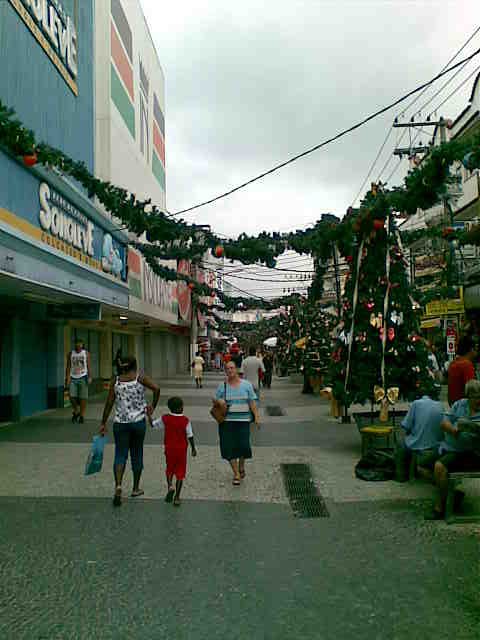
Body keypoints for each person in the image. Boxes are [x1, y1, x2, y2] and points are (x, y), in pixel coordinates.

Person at [99, 355, 160, 507]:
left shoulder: (116, 380)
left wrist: (103, 422)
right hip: (138, 423)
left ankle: (118, 486)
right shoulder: (139, 378)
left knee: (120, 454)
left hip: (120, 424)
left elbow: (109, 402)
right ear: (134, 365)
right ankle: (135, 488)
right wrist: (153, 406)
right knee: (137, 453)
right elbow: (157, 388)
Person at [427, 379, 480, 519]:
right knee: (422, 464)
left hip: (471, 453)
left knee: (439, 467)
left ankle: (440, 507)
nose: (478, 401)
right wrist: (454, 430)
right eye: (475, 397)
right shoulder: (460, 404)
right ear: (468, 396)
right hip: (449, 447)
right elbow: (444, 423)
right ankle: (453, 495)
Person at [215, 360, 260, 485]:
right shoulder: (222, 386)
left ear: (237, 369)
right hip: (227, 422)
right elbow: (215, 400)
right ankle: (236, 474)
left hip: (243, 421)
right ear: (225, 371)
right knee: (229, 447)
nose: (230, 370)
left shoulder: (246, 385)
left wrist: (256, 416)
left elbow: (252, 401)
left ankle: (241, 465)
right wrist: (220, 402)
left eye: (232, 368)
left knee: (243, 445)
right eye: (227, 368)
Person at [397, 388, 443, 481]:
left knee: (400, 444)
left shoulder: (416, 403)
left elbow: (406, 425)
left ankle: (401, 476)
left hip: (419, 443)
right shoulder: (440, 405)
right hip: (436, 443)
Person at [161, 396, 197, 507]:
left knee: (169, 469)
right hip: (181, 450)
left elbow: (153, 424)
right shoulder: (185, 420)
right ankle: (177, 497)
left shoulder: (165, 418)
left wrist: (148, 416)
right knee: (180, 473)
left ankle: (170, 485)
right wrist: (193, 448)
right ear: (181, 407)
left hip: (169, 449)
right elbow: (190, 435)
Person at [65, 338, 91, 424]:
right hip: (73, 377)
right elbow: (68, 366)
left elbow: (88, 366)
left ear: (82, 345)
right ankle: (76, 411)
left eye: (80, 343)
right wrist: (67, 378)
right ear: (75, 344)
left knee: (83, 397)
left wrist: (90, 376)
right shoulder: (70, 354)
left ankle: (82, 415)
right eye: (77, 343)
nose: (78, 345)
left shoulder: (86, 353)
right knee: (72, 396)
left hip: (83, 377)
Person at [447, 335, 477, 406]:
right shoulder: (466, 365)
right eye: (476, 349)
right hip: (465, 408)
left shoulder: (453, 364)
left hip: (455, 406)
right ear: (471, 349)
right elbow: (472, 390)